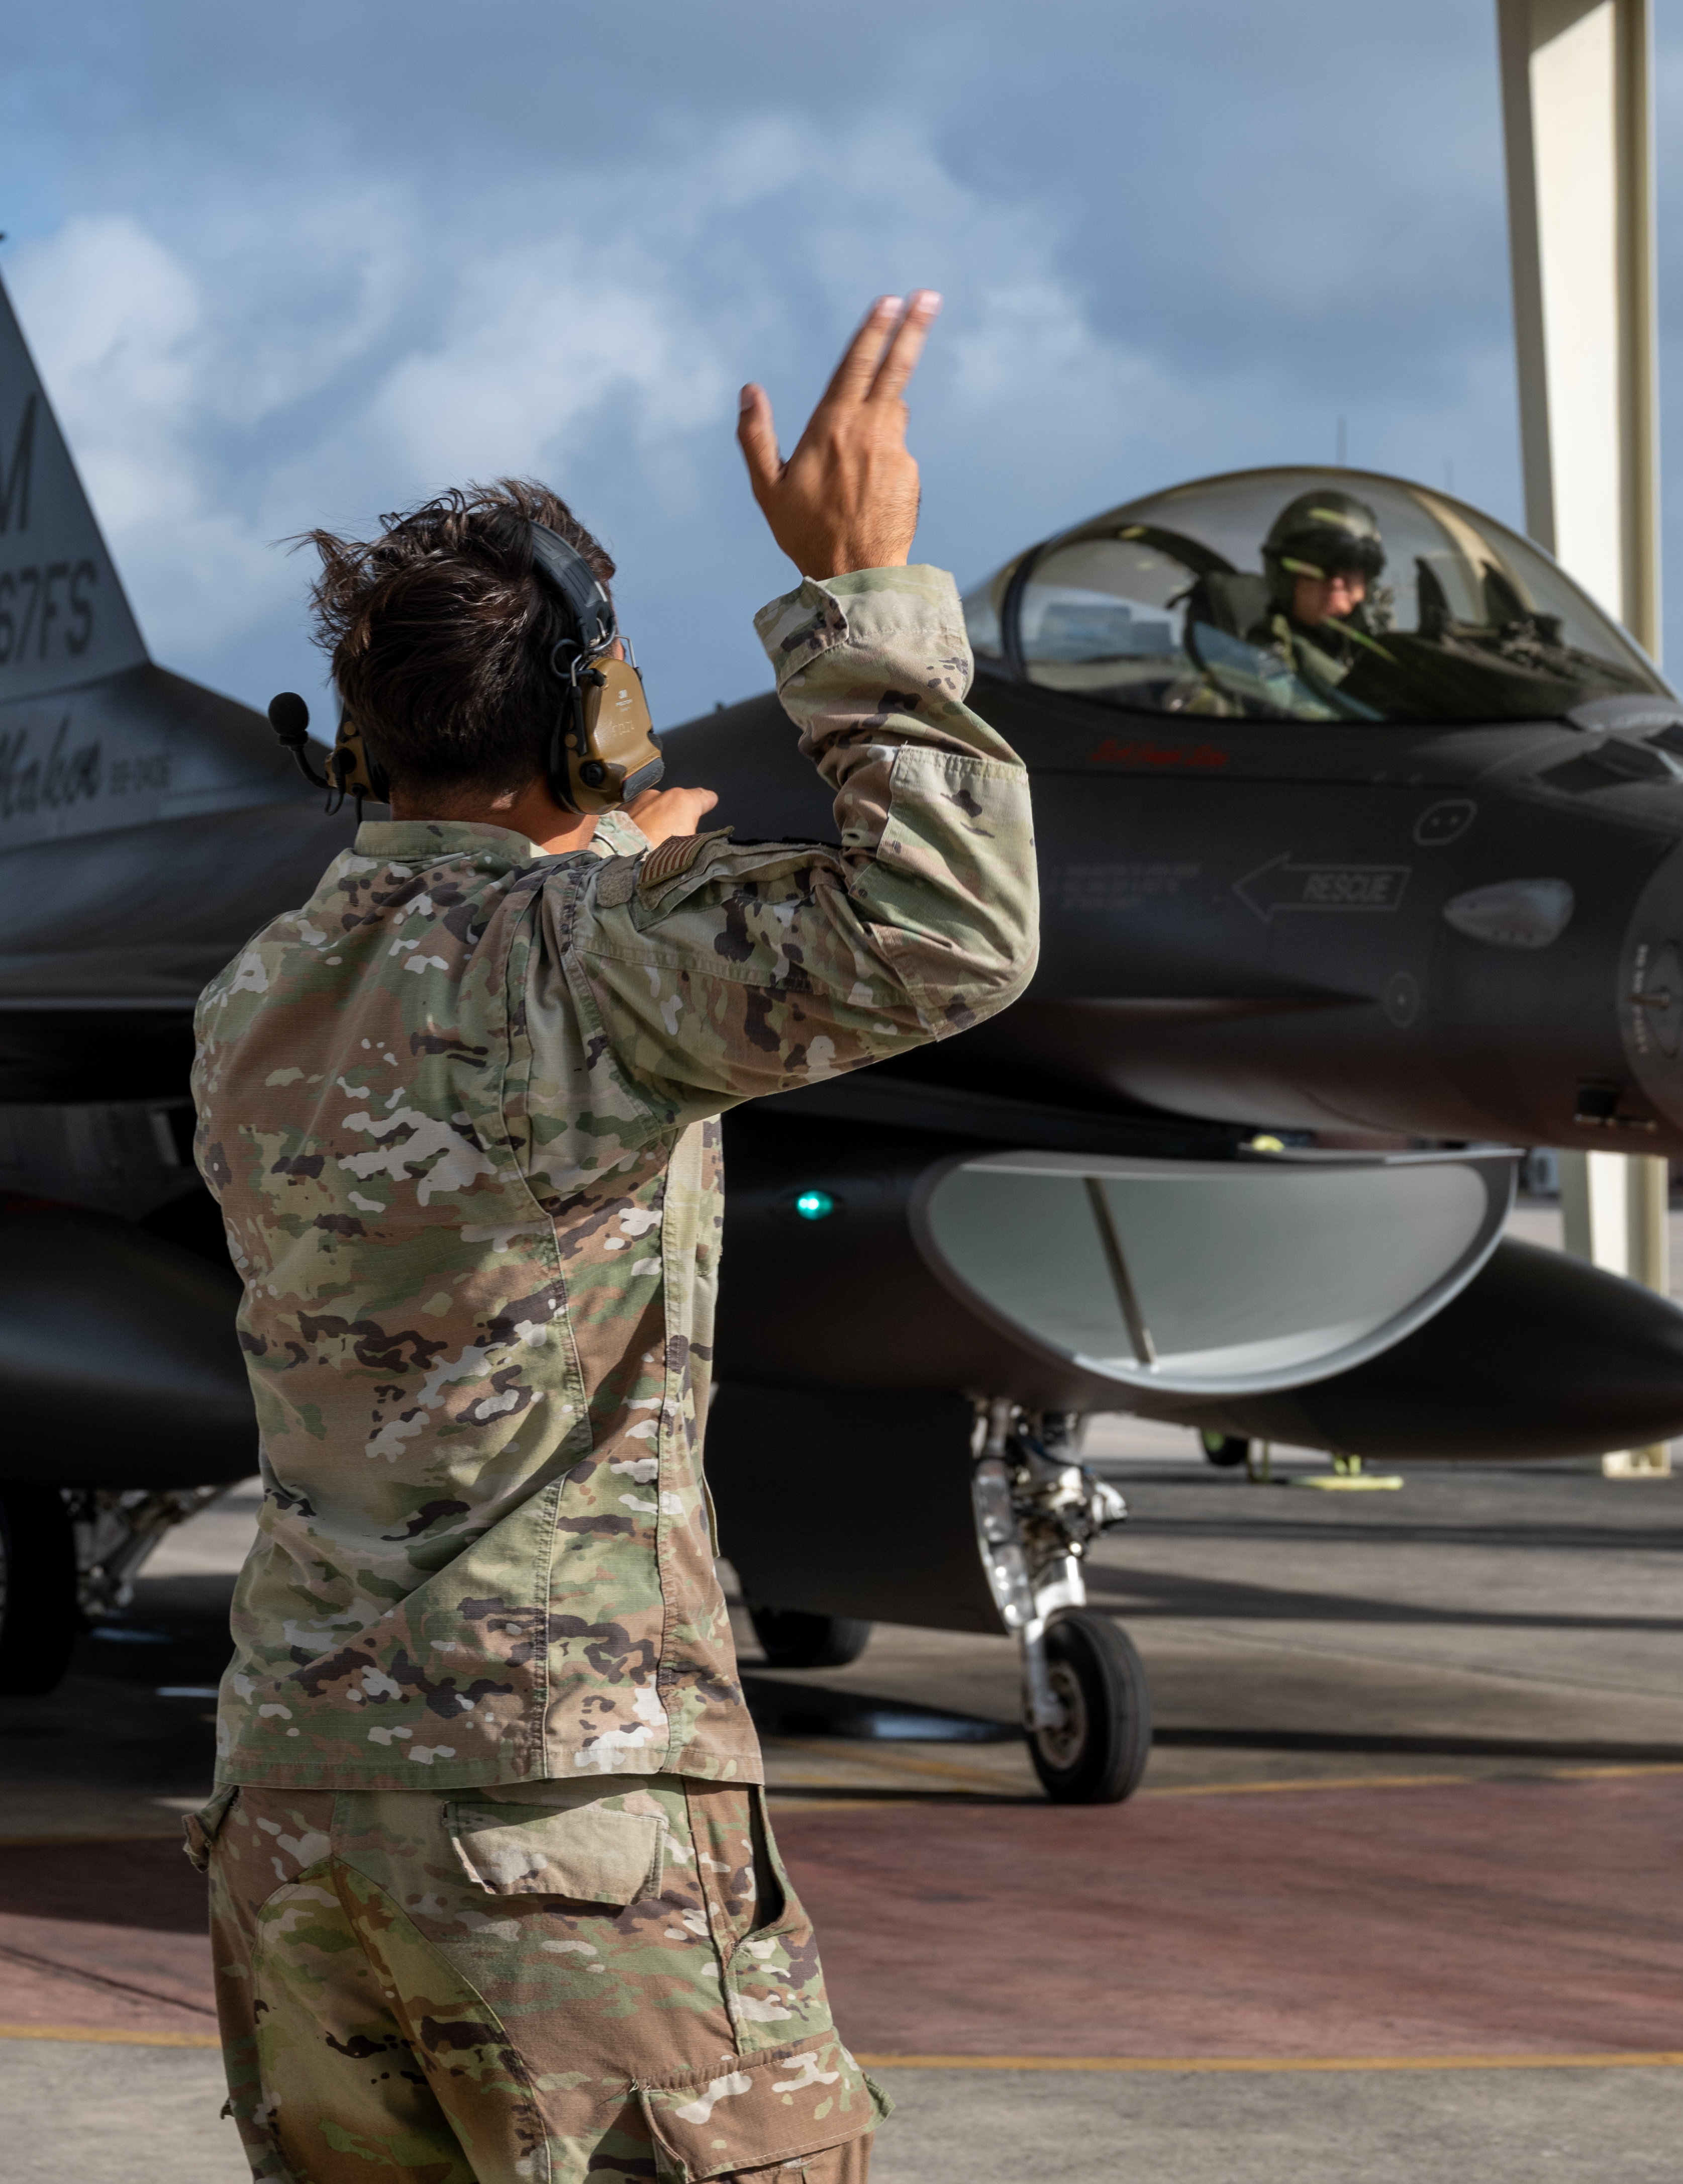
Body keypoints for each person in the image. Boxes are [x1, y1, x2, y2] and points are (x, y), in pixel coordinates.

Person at [182, 293, 1035, 2183]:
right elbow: (955, 933)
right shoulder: (607, 961)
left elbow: (453, 950)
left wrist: (600, 862)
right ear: (593, 712)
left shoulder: (263, 988)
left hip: (302, 1818)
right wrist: (864, 593)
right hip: (566, 1824)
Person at [1184, 488, 1396, 718]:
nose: (1336, 582)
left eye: (1352, 565)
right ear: (1284, 581)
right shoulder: (1250, 667)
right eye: (1317, 566)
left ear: (1368, 582)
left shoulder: (1389, 661)